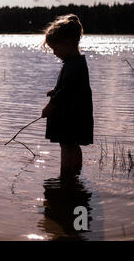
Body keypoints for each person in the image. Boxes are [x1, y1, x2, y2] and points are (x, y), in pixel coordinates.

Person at [41, 14, 93, 177]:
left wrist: (50, 106)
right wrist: (54, 91)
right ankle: (74, 176)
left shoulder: (74, 65)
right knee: (72, 145)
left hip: (71, 116)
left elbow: (66, 91)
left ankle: (66, 173)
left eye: (56, 48)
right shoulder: (75, 63)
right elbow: (68, 87)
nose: (55, 52)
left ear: (68, 43)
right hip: (75, 114)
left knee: (67, 145)